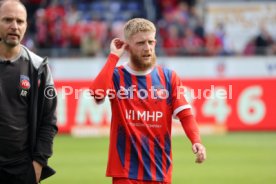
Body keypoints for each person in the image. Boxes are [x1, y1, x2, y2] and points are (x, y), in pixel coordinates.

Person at [90, 18, 206, 184]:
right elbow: (96, 94)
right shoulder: (116, 76)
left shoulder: (168, 78)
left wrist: (197, 141)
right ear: (127, 46)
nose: (147, 48)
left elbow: (186, 115)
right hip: (125, 171)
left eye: (151, 42)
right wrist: (114, 56)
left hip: (160, 170)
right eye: (140, 43)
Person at [0, 0, 58, 183]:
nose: (14, 26)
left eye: (20, 21)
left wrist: (39, 163)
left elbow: (49, 121)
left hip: (22, 169)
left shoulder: (38, 67)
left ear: (26, 25)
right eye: (7, 20)